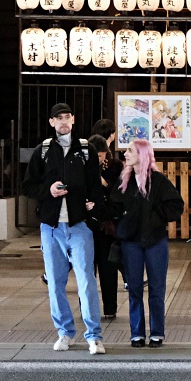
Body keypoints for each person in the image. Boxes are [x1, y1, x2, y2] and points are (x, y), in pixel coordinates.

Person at [23, 102, 105, 354]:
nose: (63, 122)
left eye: (67, 117)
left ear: (73, 119)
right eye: (58, 118)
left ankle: (94, 335)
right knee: (55, 282)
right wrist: (48, 191)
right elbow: (27, 186)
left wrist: (93, 206)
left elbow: (95, 184)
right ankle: (64, 332)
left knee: (86, 280)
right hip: (51, 226)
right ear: (51, 122)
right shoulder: (43, 150)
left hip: (79, 224)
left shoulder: (86, 150)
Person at [112, 138, 184, 348]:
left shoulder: (158, 181)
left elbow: (176, 205)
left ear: (141, 155)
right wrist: (122, 221)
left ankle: (157, 333)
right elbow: (114, 206)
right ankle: (137, 333)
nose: (125, 154)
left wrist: (156, 217)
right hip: (131, 242)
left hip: (155, 241)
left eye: (130, 151)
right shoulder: (124, 181)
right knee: (134, 288)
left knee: (156, 288)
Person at [87, 133, 123, 322]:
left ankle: (110, 308)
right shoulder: (81, 166)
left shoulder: (115, 167)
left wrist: (103, 181)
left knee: (108, 268)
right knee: (86, 270)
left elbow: (118, 193)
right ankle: (87, 308)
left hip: (107, 224)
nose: (98, 159)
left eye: (101, 156)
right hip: (87, 225)